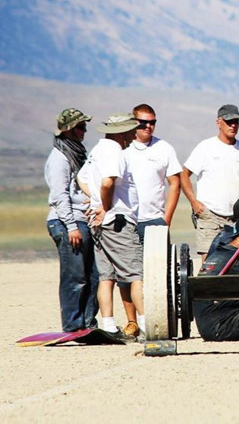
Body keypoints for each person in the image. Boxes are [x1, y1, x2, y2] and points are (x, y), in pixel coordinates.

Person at [77, 113, 146, 340]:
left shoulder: (97, 150)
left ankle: (108, 326)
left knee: (106, 277)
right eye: (131, 131)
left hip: (99, 223)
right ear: (122, 133)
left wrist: (96, 201)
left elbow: (81, 179)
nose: (133, 136)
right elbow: (108, 182)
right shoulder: (114, 151)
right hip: (116, 222)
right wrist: (105, 207)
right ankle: (147, 325)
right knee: (136, 274)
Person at [44, 107, 99, 332]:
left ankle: (88, 323)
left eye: (84, 127)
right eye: (80, 127)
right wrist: (71, 226)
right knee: (75, 277)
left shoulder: (76, 153)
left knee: (93, 275)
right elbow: (60, 195)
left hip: (81, 220)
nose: (84, 131)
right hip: (67, 222)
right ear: (68, 130)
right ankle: (73, 325)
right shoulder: (60, 158)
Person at [180, 104, 239, 261]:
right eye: (229, 121)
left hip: (234, 218)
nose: (233, 125)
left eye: (236, 121)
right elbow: (184, 174)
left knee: (234, 261)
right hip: (210, 215)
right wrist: (194, 202)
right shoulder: (206, 147)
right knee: (209, 263)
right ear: (218, 122)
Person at [126, 103, 182, 241]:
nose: (148, 126)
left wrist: (166, 219)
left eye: (152, 122)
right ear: (133, 122)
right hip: (126, 219)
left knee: (157, 256)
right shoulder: (123, 147)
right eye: (143, 122)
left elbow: (175, 184)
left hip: (154, 220)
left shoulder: (165, 149)